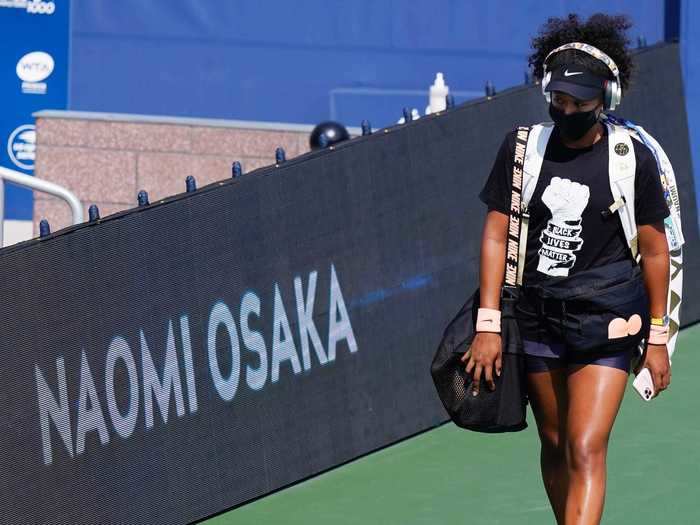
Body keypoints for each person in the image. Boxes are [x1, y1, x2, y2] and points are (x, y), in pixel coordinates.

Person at [463, 13, 672, 525]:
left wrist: (660, 335)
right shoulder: (521, 151)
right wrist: (488, 323)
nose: (568, 109)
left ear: (608, 101)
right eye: (559, 100)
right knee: (554, 444)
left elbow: (656, 251)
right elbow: (496, 234)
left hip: (608, 319)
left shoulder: (631, 161)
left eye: (580, 103)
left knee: (584, 446)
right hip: (536, 316)